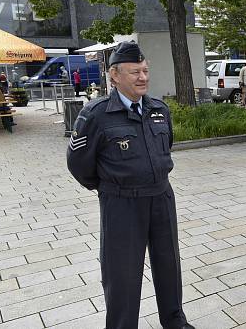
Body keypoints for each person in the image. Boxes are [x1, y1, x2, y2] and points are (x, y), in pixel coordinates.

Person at [66, 41, 194, 329]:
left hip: (161, 196)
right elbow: (78, 163)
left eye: (145, 70)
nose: (143, 77)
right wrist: (110, 187)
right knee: (121, 273)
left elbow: (166, 147)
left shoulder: (159, 109)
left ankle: (175, 321)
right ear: (114, 75)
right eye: (135, 71)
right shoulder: (96, 115)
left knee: (168, 264)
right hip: (121, 202)